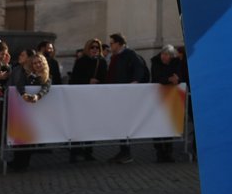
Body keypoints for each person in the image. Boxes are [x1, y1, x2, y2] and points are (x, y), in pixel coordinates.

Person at [106, 33, 146, 164]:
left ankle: (127, 152)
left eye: (112, 43)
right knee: (119, 124)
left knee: (124, 123)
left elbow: (140, 69)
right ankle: (122, 150)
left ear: (119, 43)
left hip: (125, 95)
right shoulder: (114, 57)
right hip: (115, 95)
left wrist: (135, 81)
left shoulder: (130, 54)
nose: (110, 45)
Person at [68, 38, 107, 163]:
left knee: (91, 125)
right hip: (81, 98)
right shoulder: (81, 61)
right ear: (87, 48)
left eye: (97, 47)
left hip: (95, 98)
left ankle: (89, 151)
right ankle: (74, 151)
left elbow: (105, 78)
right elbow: (74, 79)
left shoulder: (102, 62)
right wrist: (87, 81)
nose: (95, 49)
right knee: (78, 125)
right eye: (92, 47)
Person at [151, 45, 182, 163]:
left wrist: (177, 79)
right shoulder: (155, 62)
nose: (163, 57)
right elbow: (156, 77)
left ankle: (168, 152)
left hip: (171, 99)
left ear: (171, 56)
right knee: (157, 125)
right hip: (157, 98)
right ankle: (159, 152)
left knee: (169, 125)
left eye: (167, 55)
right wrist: (169, 79)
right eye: (162, 54)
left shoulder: (176, 63)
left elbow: (179, 76)